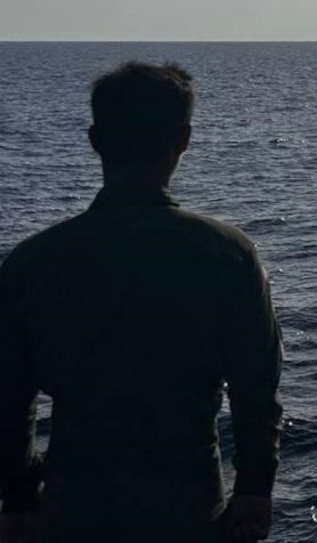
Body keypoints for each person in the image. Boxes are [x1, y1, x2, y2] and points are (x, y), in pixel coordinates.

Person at [0, 62, 283, 543]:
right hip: (189, 511)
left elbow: (7, 400)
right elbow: (255, 389)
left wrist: (19, 496)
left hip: (72, 513)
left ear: (95, 140)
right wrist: (255, 488)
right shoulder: (228, 254)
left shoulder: (31, 263)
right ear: (183, 140)